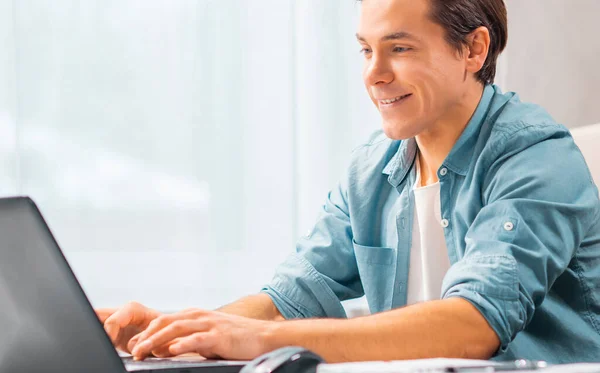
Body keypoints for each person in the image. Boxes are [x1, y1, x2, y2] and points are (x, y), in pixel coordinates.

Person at [97, 0, 600, 364]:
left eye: (399, 48)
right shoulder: (372, 169)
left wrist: (256, 339)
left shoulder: (537, 156)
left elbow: (473, 324)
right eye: (365, 50)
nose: (374, 74)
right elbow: (287, 296)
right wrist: (181, 332)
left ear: (473, 49)